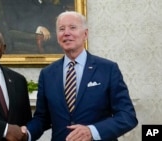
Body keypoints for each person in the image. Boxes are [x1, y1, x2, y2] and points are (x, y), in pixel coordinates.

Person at [22, 11, 138, 141]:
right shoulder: (47, 73)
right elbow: (42, 118)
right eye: (61, 29)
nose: (66, 33)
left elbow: (127, 116)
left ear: (85, 34)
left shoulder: (108, 69)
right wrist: (26, 134)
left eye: (72, 27)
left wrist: (92, 131)